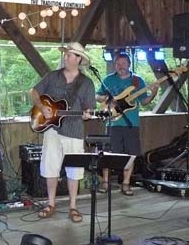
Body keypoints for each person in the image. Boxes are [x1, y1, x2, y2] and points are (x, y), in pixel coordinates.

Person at [29, 42, 96, 223]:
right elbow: (33, 92)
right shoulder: (52, 77)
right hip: (51, 130)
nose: (66, 57)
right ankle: (51, 203)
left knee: (74, 170)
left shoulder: (87, 83)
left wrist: (87, 115)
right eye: (66, 54)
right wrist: (42, 108)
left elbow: (89, 109)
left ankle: (73, 207)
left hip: (74, 130)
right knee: (50, 167)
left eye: (70, 55)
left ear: (79, 59)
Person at [96, 53, 158, 196]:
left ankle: (126, 183)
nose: (121, 66)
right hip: (113, 123)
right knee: (108, 153)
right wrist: (106, 98)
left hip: (131, 124)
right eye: (118, 64)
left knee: (131, 155)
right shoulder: (108, 80)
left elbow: (144, 101)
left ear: (129, 64)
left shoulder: (137, 81)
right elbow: (97, 96)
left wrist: (153, 94)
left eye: (123, 63)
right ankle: (105, 182)